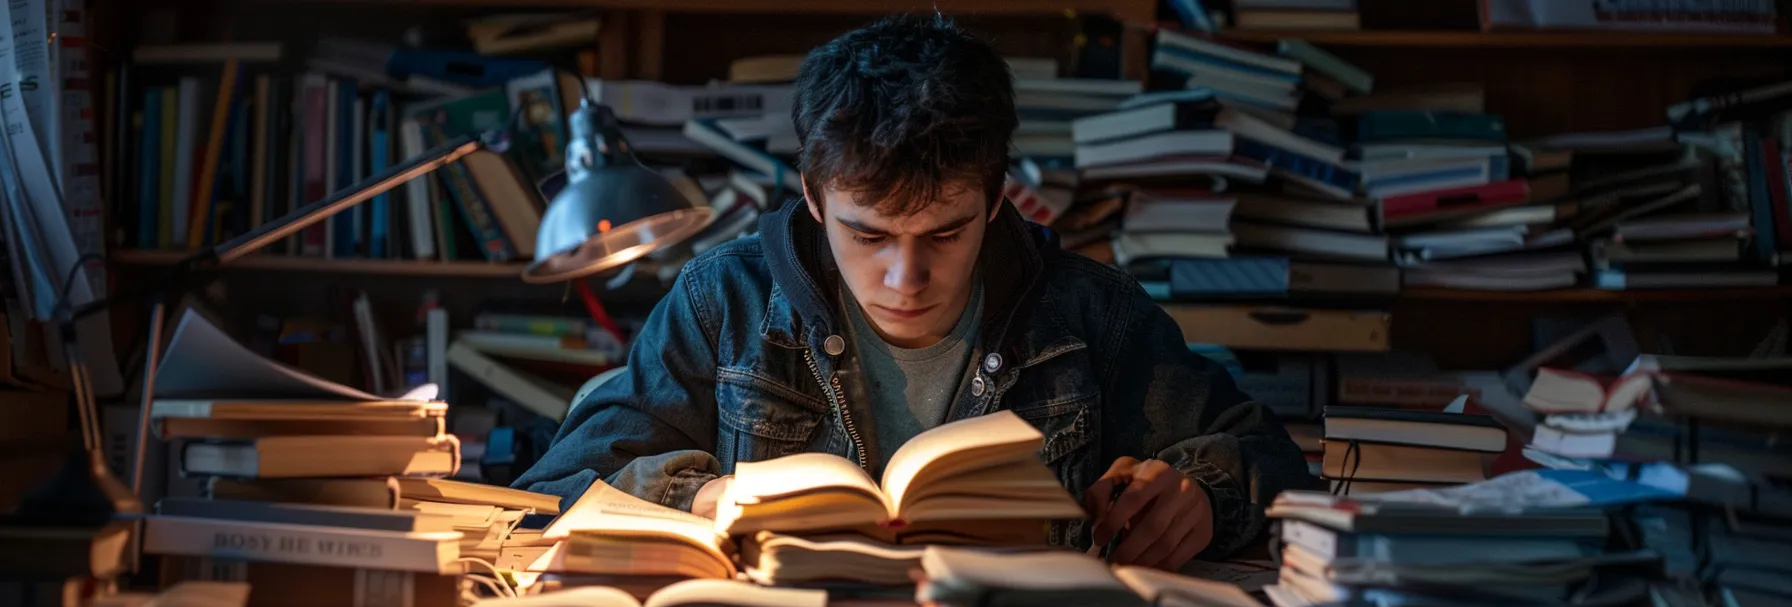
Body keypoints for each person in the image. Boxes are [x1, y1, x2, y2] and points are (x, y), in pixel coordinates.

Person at [513, 14, 1309, 571]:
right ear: (814, 199)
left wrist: (1204, 498)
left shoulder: (1089, 314)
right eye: (867, 235)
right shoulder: (724, 303)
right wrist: (699, 496)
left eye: (944, 234)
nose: (905, 278)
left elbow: (1281, 468)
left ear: (999, 201)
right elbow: (547, 494)